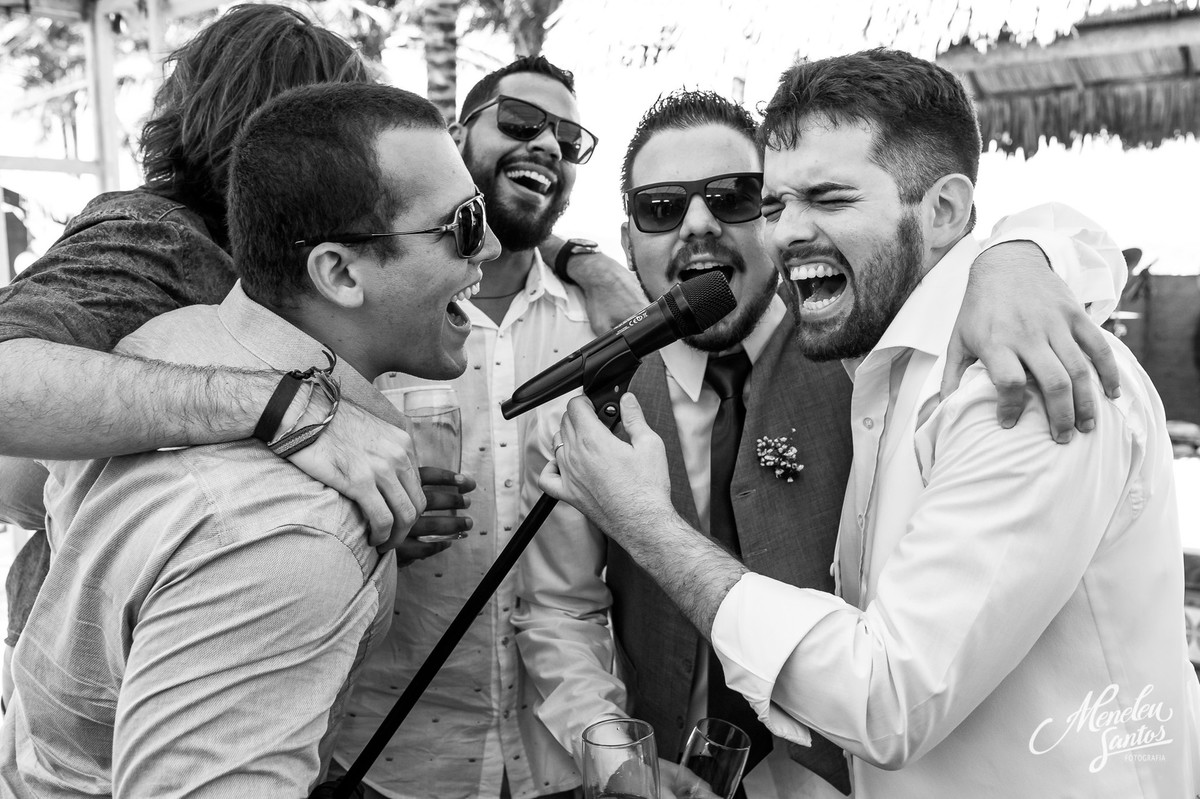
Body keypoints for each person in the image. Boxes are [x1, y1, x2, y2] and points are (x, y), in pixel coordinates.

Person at [540, 50, 1200, 797]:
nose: (785, 232)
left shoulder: (1019, 372)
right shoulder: (874, 364)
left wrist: (1029, 250)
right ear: (627, 237)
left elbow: (887, 696)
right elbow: (560, 608)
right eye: (779, 204)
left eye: (741, 198)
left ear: (946, 211)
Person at [0, 4, 636, 705]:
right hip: (99, 687)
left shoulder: (283, 261)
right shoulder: (155, 235)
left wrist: (578, 256)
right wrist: (286, 409)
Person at [0, 80, 501, 797]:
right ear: (336, 270)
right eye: (463, 224)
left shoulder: (162, 342)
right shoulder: (293, 538)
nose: (493, 243)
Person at [330, 56, 599, 799]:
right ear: (455, 138)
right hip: (390, 759)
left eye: (569, 140)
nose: (547, 144)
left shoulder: (595, 324)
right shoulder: (372, 316)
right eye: (520, 123)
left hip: (558, 756)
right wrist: (378, 545)